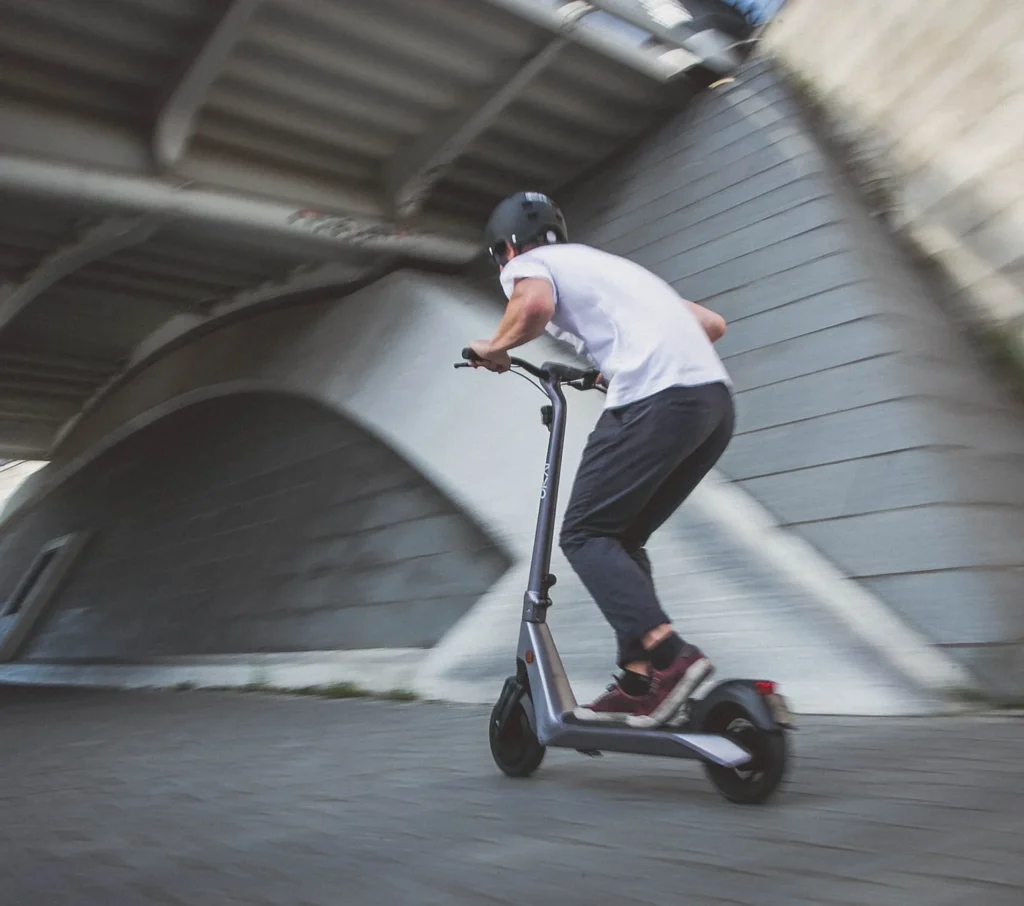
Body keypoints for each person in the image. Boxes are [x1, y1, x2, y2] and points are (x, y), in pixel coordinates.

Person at [467, 191, 734, 728]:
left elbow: (534, 306)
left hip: (657, 400)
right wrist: (609, 367)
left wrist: (495, 346)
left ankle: (670, 656)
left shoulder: (530, 265)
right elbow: (711, 324)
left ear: (506, 249)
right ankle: (638, 681)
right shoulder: (606, 266)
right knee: (621, 538)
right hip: (712, 405)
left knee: (584, 535)